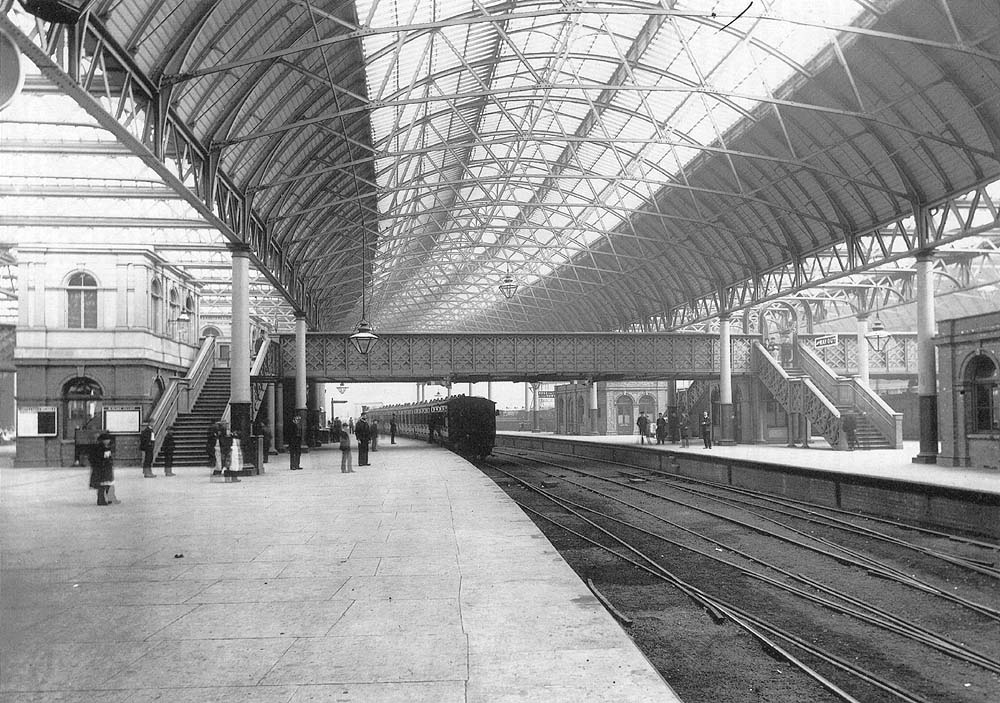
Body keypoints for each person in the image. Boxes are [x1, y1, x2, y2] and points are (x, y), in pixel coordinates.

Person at [88, 432, 119, 505]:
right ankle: (101, 500)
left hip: (107, 468)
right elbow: (96, 458)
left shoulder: (108, 447)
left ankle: (110, 498)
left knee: (108, 484)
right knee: (102, 485)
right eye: (106, 439)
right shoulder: (99, 448)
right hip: (101, 469)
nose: (108, 441)